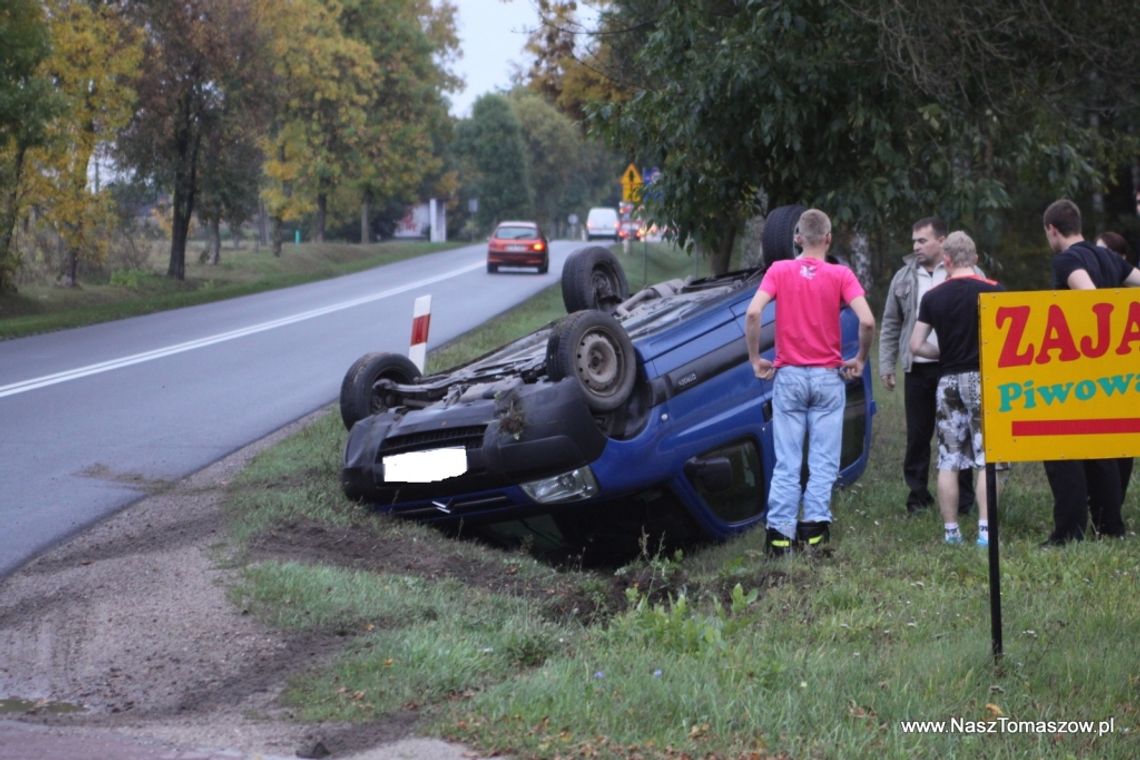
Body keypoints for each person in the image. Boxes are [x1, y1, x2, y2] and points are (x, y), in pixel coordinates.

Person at [745, 209, 875, 555]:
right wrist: (860, 360)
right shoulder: (841, 275)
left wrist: (755, 358)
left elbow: (754, 312)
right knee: (823, 461)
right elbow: (867, 321)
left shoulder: (779, 270)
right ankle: (814, 534)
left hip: (788, 377)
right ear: (828, 239)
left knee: (787, 460)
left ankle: (779, 538)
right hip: (827, 378)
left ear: (797, 238)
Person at [1041, 200, 1140, 545]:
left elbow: (1092, 298)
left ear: (1053, 229)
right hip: (1108, 368)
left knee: (1061, 447)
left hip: (1074, 368)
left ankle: (1068, 532)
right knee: (1102, 446)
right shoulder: (1109, 257)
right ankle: (1108, 524)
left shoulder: (1067, 258)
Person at [908, 232, 1006, 545]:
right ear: (976, 260)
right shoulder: (993, 291)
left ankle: (951, 532)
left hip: (947, 381)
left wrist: (942, 353)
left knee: (949, 458)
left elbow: (914, 345)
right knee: (989, 457)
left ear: (946, 261)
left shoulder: (933, 297)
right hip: (984, 379)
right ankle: (985, 531)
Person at [879, 217, 979, 516]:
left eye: (922, 240)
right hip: (919, 368)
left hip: (956, 366)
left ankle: (964, 500)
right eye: (914, 241)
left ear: (942, 241)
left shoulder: (969, 274)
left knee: (961, 433)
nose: (916, 247)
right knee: (918, 436)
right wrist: (887, 364)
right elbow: (891, 323)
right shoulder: (904, 277)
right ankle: (918, 497)